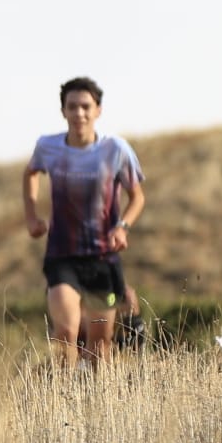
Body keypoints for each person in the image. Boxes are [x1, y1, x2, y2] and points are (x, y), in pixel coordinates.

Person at [21, 76, 145, 366]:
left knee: (99, 345)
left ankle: (93, 405)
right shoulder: (48, 147)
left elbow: (137, 197)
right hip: (62, 257)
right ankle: (63, 405)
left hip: (103, 261)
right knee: (65, 334)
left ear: (98, 110)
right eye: (72, 106)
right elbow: (30, 173)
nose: (80, 113)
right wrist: (31, 217)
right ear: (63, 111)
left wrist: (122, 227)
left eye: (86, 106)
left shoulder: (115, 150)